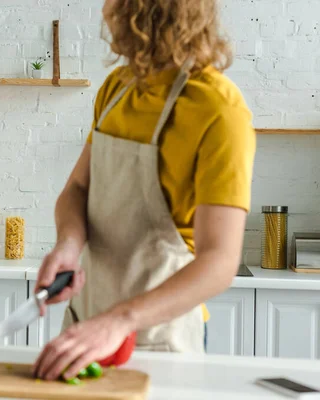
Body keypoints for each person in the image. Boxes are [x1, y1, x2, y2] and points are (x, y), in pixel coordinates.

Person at [32, 0, 256, 381]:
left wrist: (119, 321)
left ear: (146, 10)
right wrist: (68, 245)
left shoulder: (218, 108)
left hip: (157, 336)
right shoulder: (116, 89)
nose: (105, 9)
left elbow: (219, 260)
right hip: (86, 325)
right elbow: (77, 188)